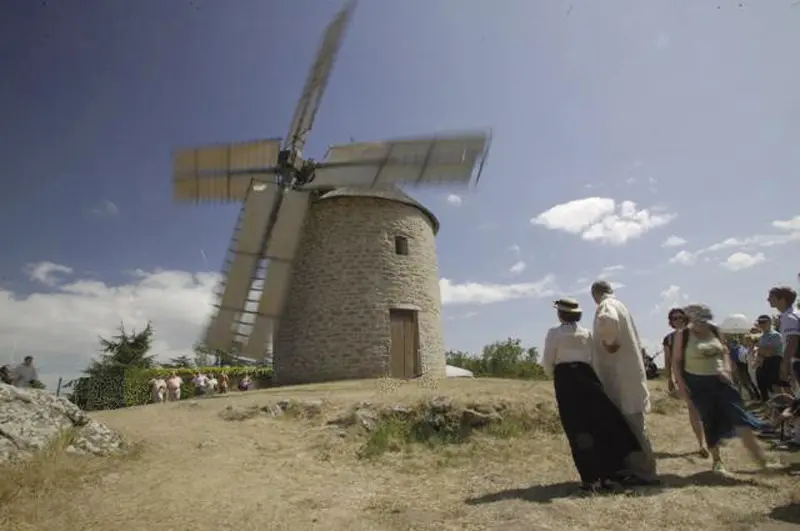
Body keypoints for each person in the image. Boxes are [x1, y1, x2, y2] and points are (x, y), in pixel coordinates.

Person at [542, 298, 642, 495]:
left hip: (566, 379)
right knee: (597, 424)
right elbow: (594, 359)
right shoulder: (587, 333)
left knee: (575, 426)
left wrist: (554, 376)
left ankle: (590, 479)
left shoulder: (554, 333)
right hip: (588, 377)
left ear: (560, 314)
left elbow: (548, 359)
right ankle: (609, 474)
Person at [672, 303, 784, 475]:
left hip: (721, 381)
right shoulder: (683, 335)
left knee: (740, 417)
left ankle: (763, 462)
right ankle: (717, 462)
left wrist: (726, 369)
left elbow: (724, 351)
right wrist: (680, 384)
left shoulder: (715, 330)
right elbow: (677, 362)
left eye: (704, 317)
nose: (701, 322)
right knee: (711, 421)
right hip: (697, 383)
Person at [591, 280, 658, 485]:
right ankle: (635, 469)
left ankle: (645, 473)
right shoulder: (622, 306)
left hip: (621, 377)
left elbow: (607, 320)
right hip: (628, 375)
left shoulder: (606, 305)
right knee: (632, 424)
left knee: (633, 425)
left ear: (595, 293)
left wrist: (610, 342)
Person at [663, 307, 708, 458]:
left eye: (680, 318)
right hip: (683, 377)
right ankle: (702, 443)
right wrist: (669, 378)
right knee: (693, 408)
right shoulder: (669, 339)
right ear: (671, 322)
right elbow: (668, 360)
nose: (678, 321)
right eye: (674, 318)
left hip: (701, 373)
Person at [768, 286, 800, 385]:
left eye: (771, 296)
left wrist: (785, 364)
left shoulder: (788, 317)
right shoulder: (795, 314)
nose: (768, 299)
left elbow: (793, 341)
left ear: (782, 299)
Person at [755, 314, 784, 403]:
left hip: (774, 361)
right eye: (760, 322)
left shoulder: (775, 335)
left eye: (764, 322)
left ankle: (783, 405)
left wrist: (760, 349)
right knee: (763, 384)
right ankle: (769, 407)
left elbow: (769, 351)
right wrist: (760, 351)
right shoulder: (762, 336)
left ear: (770, 322)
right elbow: (761, 352)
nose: (761, 324)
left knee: (775, 385)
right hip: (764, 362)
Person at [729, 337, 760, 401]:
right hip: (741, 366)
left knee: (750, 382)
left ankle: (756, 396)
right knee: (744, 383)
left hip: (745, 366)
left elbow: (747, 358)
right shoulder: (733, 350)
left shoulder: (743, 349)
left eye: (735, 342)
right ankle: (754, 395)